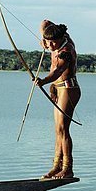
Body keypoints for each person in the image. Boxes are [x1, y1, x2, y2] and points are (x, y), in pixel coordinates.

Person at [34, 20, 81, 179]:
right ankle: (56, 166)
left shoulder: (66, 51)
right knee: (57, 130)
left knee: (63, 129)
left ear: (61, 39)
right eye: (48, 42)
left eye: (54, 42)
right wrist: (43, 38)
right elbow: (45, 22)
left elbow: (58, 71)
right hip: (58, 89)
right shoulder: (56, 37)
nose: (51, 46)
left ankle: (67, 168)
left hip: (69, 89)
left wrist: (44, 81)